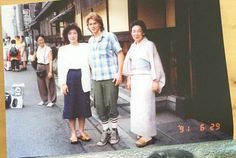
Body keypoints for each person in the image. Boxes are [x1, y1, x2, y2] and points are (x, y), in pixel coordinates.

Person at [123, 20, 165, 147]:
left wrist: (155, 80)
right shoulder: (133, 46)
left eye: (138, 31)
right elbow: (128, 63)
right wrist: (129, 78)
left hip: (147, 78)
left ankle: (148, 135)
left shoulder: (149, 45)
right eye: (133, 31)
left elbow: (155, 63)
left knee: (147, 107)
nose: (136, 33)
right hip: (136, 79)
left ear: (143, 32)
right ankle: (141, 131)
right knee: (137, 107)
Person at [86, 12, 124, 146]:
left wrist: (119, 73)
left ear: (100, 23)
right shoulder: (90, 41)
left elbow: (120, 54)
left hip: (110, 77)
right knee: (100, 107)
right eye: (90, 24)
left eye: (95, 23)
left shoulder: (109, 36)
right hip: (96, 79)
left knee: (112, 106)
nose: (93, 26)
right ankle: (105, 131)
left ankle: (114, 131)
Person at [57, 23, 92, 144]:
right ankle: (73, 133)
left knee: (82, 105)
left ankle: (82, 131)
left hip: (83, 77)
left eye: (74, 33)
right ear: (66, 36)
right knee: (71, 106)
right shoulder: (63, 49)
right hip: (70, 78)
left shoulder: (85, 47)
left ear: (78, 34)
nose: (72, 36)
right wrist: (63, 83)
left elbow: (92, 63)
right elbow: (60, 67)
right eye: (70, 33)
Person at [33, 34, 57, 107]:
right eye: (39, 40)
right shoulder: (37, 48)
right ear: (37, 41)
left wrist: (50, 71)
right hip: (39, 66)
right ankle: (44, 99)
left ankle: (52, 100)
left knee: (49, 83)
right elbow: (34, 58)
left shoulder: (48, 49)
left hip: (47, 66)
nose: (41, 41)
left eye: (42, 39)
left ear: (44, 40)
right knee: (41, 84)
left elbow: (50, 61)